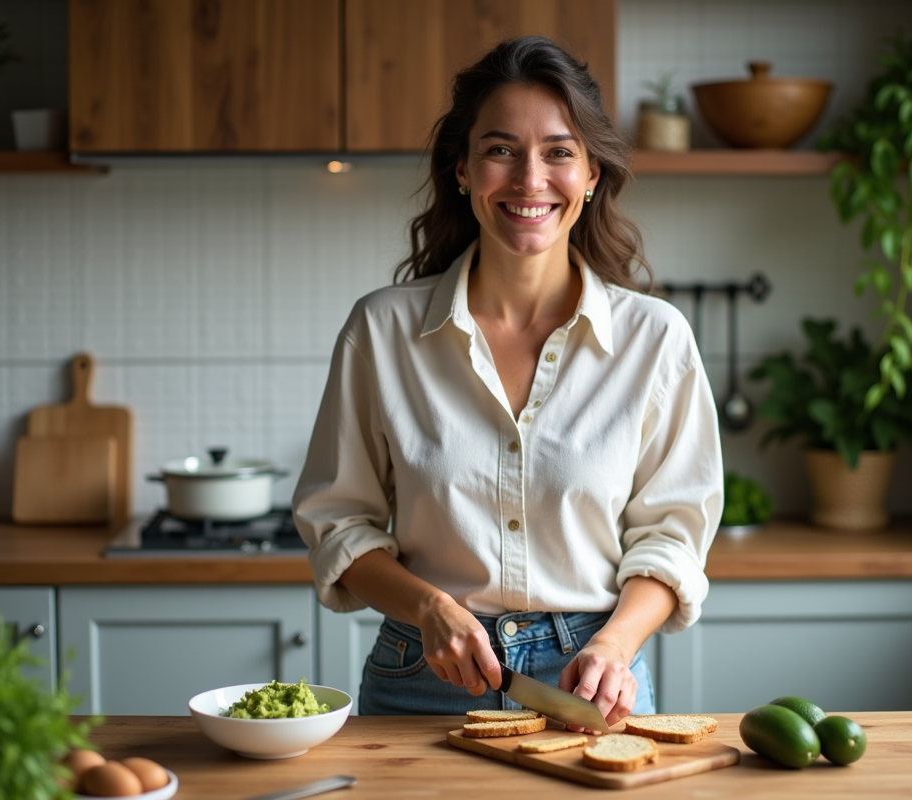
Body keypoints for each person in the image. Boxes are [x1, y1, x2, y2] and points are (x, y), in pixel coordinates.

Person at [293, 35, 722, 727]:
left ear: (591, 174)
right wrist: (430, 607)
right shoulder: (381, 331)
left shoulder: (655, 339)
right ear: (462, 169)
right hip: (423, 678)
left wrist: (615, 643)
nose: (529, 179)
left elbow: (674, 535)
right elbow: (339, 523)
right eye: (500, 150)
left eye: (558, 151)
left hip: (595, 684)